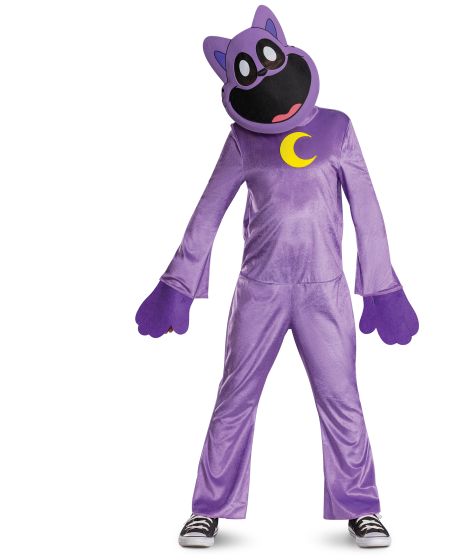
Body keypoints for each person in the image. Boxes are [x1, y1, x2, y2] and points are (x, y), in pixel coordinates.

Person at [135, 5, 419, 548]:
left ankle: (360, 506)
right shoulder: (243, 139)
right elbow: (208, 212)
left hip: (324, 291)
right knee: (234, 397)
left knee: (342, 398)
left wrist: (382, 288)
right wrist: (177, 286)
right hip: (259, 291)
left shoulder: (336, 129)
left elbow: (367, 210)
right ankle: (208, 508)